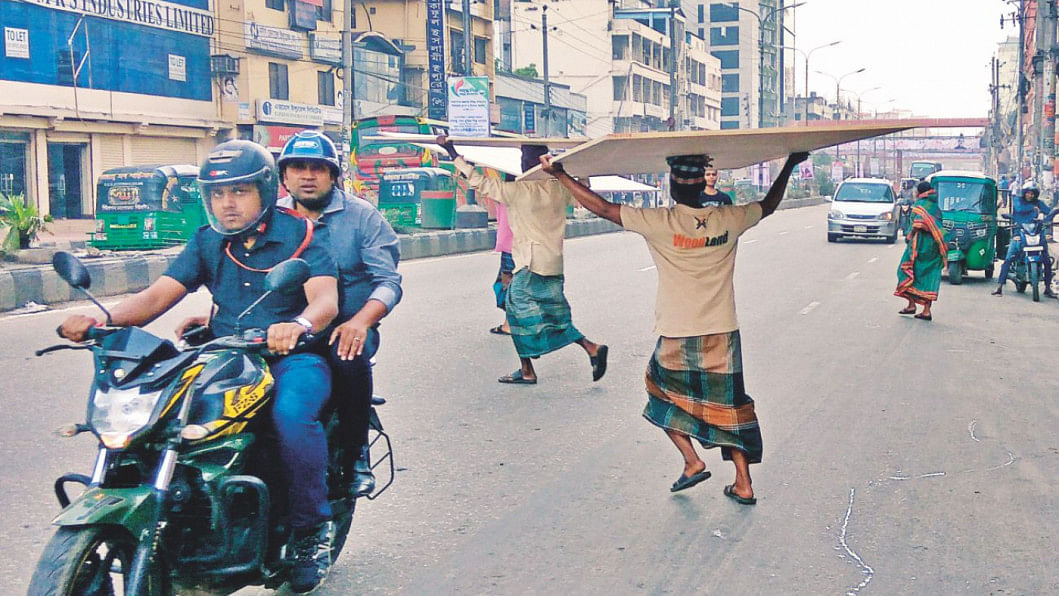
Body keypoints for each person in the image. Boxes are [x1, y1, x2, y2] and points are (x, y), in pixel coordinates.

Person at [59, 140, 340, 593]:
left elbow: (325, 300)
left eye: (239, 192)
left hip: (291, 357)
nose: (227, 203)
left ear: (266, 190)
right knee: (162, 417)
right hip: (224, 354)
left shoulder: (302, 234)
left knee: (291, 417)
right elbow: (156, 297)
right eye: (218, 193)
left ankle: (311, 531)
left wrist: (298, 325)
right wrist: (100, 320)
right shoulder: (208, 241)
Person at [541, 150, 809, 504]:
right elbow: (769, 204)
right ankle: (743, 483)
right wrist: (789, 164)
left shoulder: (660, 222)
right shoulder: (729, 218)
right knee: (729, 407)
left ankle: (692, 460)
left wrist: (560, 175)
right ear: (702, 186)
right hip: (722, 331)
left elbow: (604, 208)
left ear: (672, 187)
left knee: (659, 392)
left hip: (678, 330)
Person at [276, 130, 404, 498]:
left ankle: (355, 454)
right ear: (284, 176)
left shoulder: (362, 217)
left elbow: (388, 282)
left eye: (317, 168)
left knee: (347, 355)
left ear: (333, 175)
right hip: (287, 326)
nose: (307, 176)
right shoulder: (273, 217)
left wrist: (361, 321)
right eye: (298, 168)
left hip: (346, 325)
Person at [437, 135, 608, 385]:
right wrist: (577, 167)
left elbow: (477, 181)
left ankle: (529, 369)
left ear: (526, 163)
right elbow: (583, 191)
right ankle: (590, 348)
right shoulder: (560, 188)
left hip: (530, 263)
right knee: (556, 315)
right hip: (553, 263)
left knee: (516, 312)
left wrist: (451, 151)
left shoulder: (516, 191)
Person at [992, 181, 1057, 298]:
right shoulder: (1018, 200)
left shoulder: (1038, 203)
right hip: (1019, 233)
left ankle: (1048, 288)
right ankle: (999, 287)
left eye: (1032, 194)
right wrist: (1034, 209)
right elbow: (1020, 209)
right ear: (1024, 193)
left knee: (1047, 260)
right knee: (1009, 258)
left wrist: (1053, 214)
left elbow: (1048, 212)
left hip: (1036, 233)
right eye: (1028, 193)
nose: (1030, 195)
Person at [895, 180, 948, 320]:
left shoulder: (920, 206)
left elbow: (918, 224)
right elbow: (939, 226)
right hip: (935, 246)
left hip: (919, 245)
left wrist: (910, 234)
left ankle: (912, 304)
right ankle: (926, 310)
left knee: (905, 270)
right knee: (930, 276)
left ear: (919, 192)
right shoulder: (935, 207)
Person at [489, 201, 515, 335]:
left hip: (511, 246)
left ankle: (509, 324)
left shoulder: (506, 194)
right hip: (533, 245)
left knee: (508, 285)